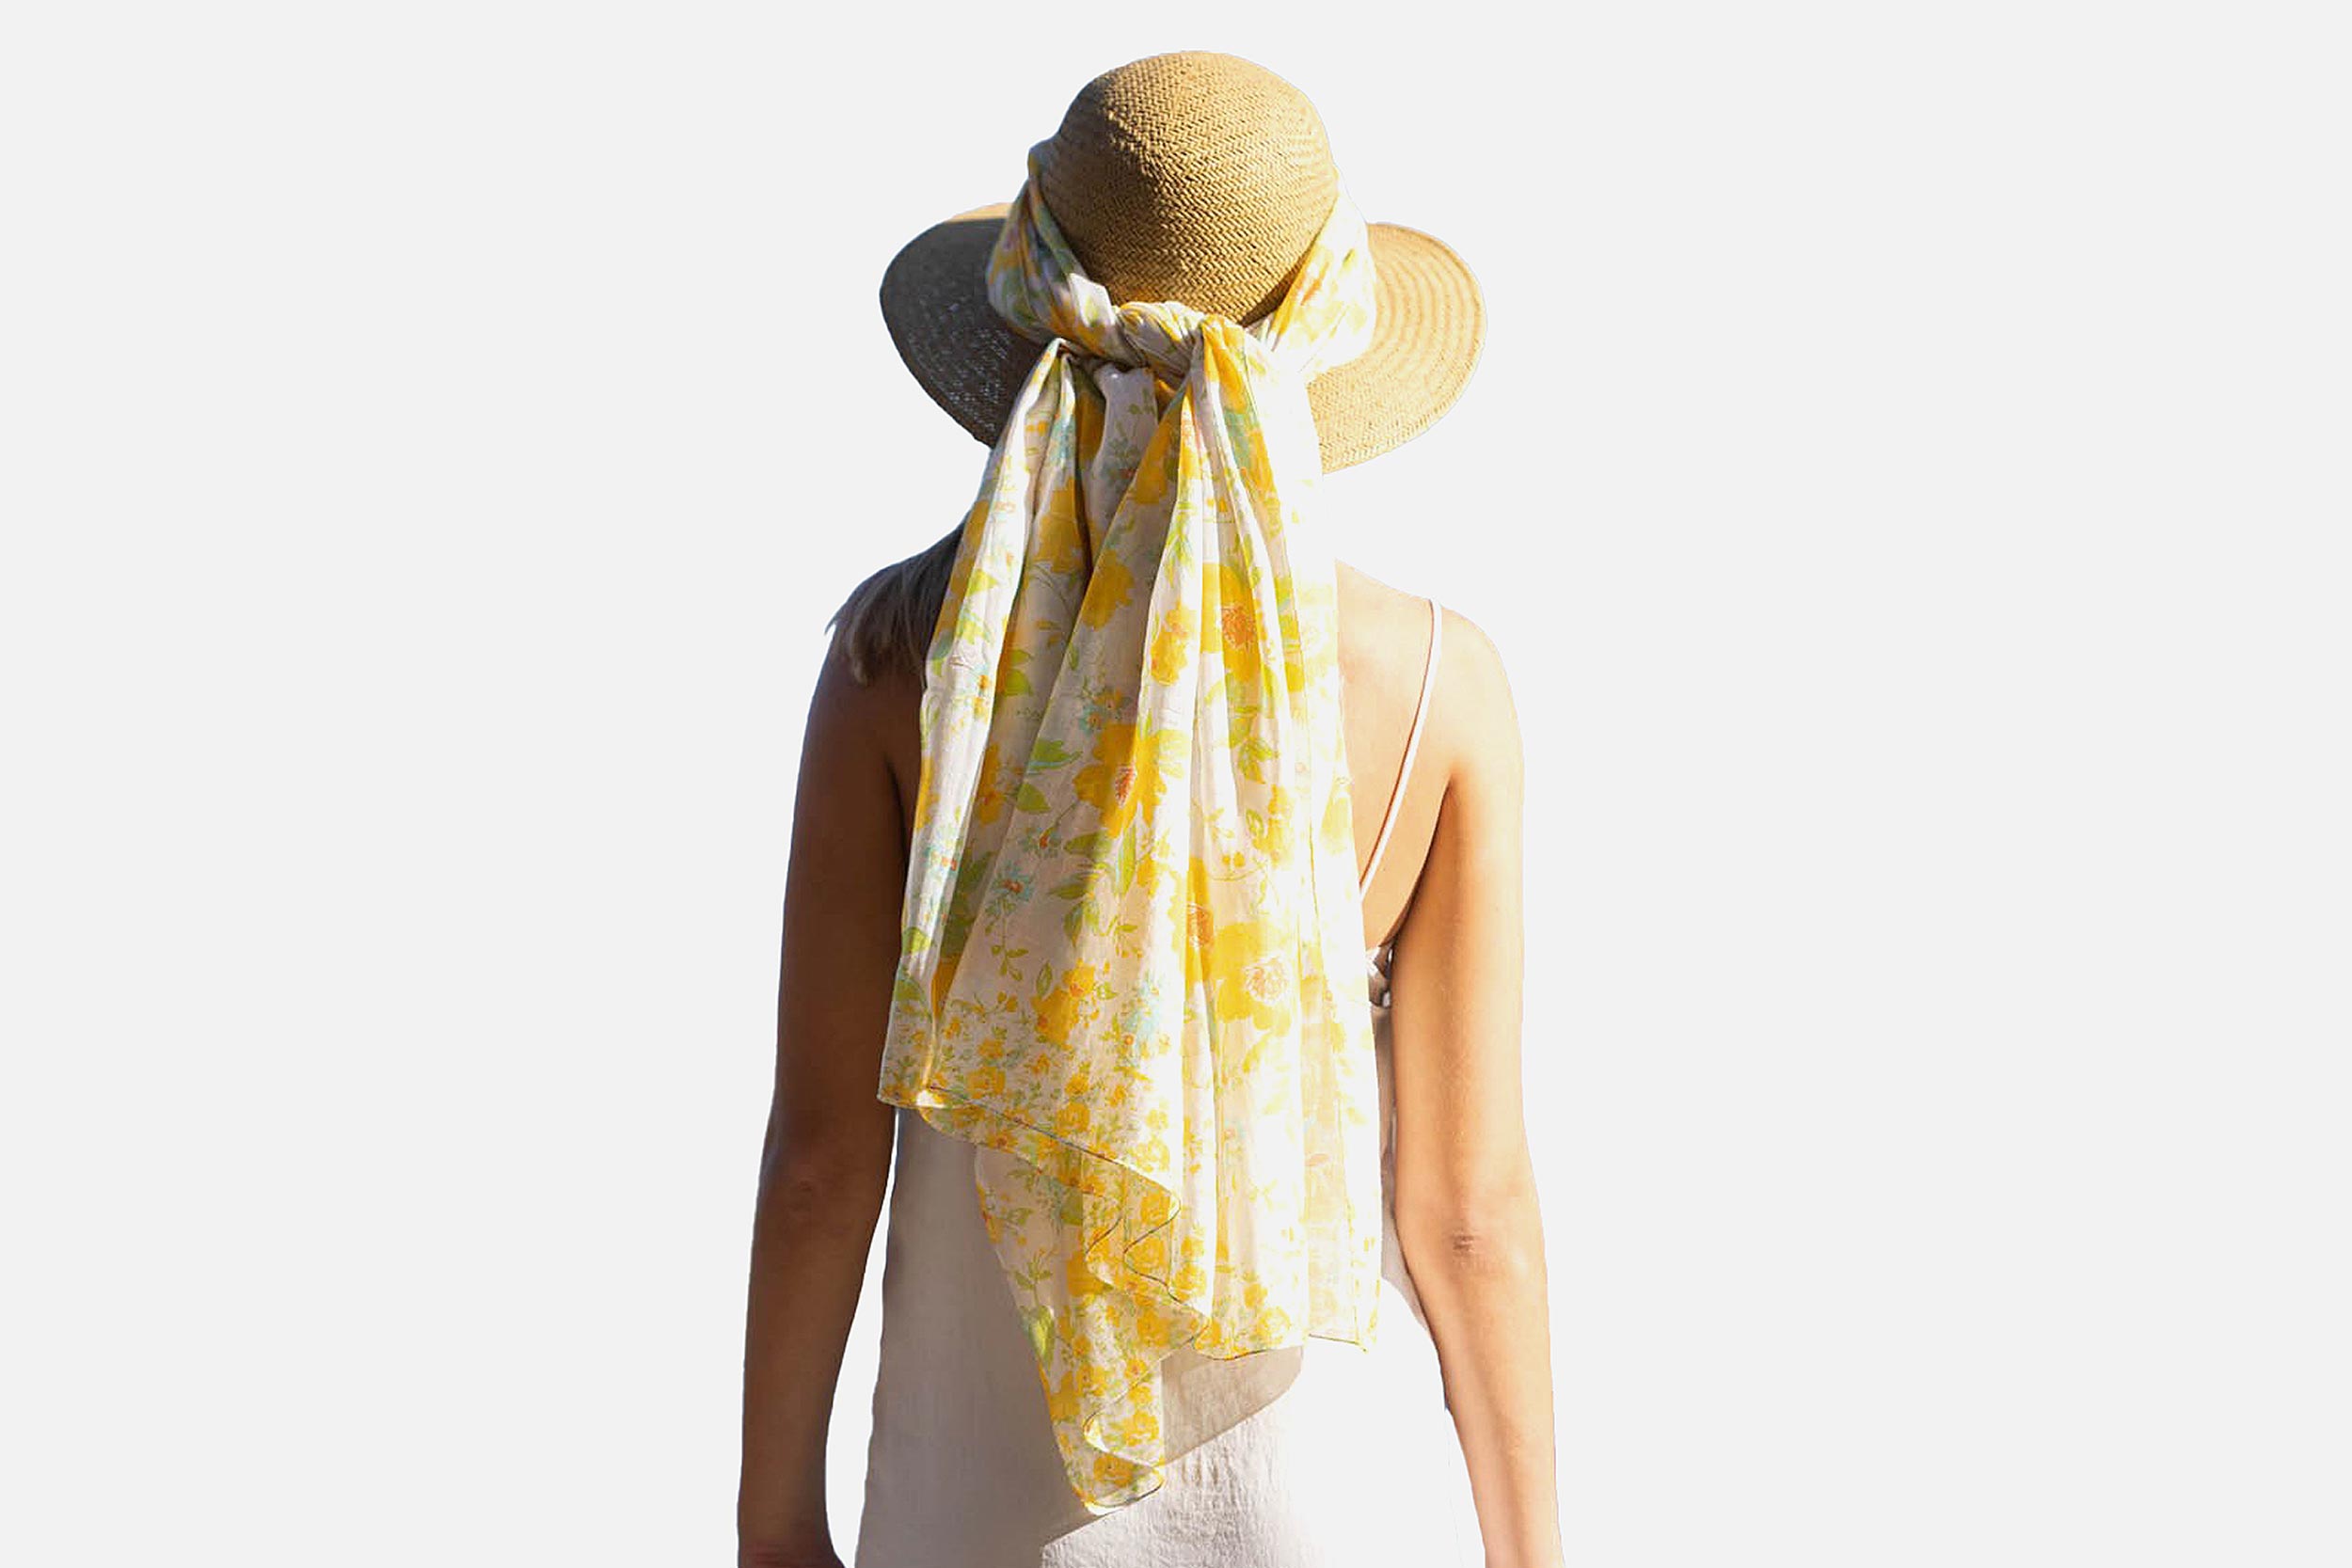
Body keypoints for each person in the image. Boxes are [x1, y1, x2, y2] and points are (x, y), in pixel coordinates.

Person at [738, 50, 1559, 1568]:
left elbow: (819, 1164)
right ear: (1316, 337)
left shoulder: (898, 666)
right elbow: (1468, 1215)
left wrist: (772, 1522)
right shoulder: (1442, 686)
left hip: (974, 1511)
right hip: (1332, 1513)